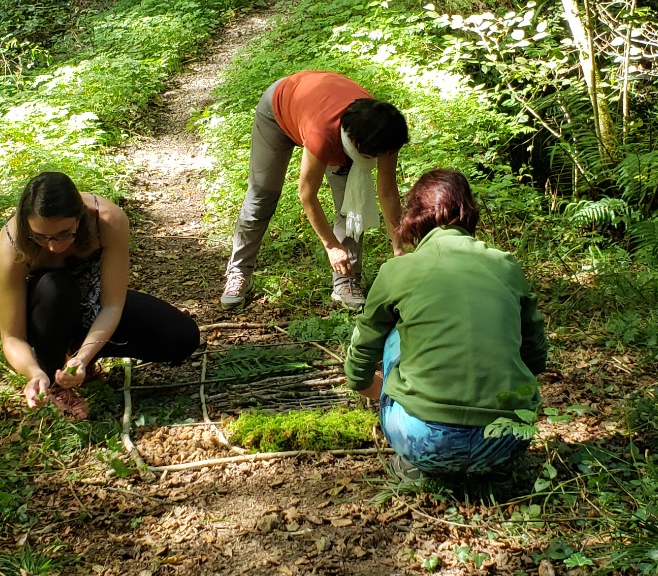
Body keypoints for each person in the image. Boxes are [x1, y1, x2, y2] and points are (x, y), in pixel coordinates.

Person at [343, 169, 547, 481]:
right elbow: (535, 356)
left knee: (395, 331)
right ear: (468, 212)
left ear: (414, 216)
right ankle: (491, 466)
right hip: (507, 439)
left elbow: (360, 359)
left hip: (423, 440)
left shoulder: (398, 271)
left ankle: (415, 463)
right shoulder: (505, 265)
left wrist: (373, 387)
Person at [0, 172, 200, 419]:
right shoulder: (13, 238)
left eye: (64, 234)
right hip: (36, 313)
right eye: (40, 237)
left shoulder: (107, 220)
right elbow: (12, 336)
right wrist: (34, 373)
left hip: (88, 305)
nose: (53, 246)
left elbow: (112, 305)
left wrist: (84, 356)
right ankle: (53, 379)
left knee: (181, 336)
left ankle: (75, 358)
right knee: (55, 287)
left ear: (80, 218)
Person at [221, 70, 410, 310]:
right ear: (355, 145)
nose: (379, 160)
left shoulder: (385, 131)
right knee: (262, 196)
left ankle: (346, 280)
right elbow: (307, 194)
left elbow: (388, 191)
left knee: (351, 205)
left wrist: (399, 247)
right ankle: (239, 272)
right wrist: (331, 246)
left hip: (319, 109)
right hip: (278, 111)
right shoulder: (323, 134)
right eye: (372, 157)